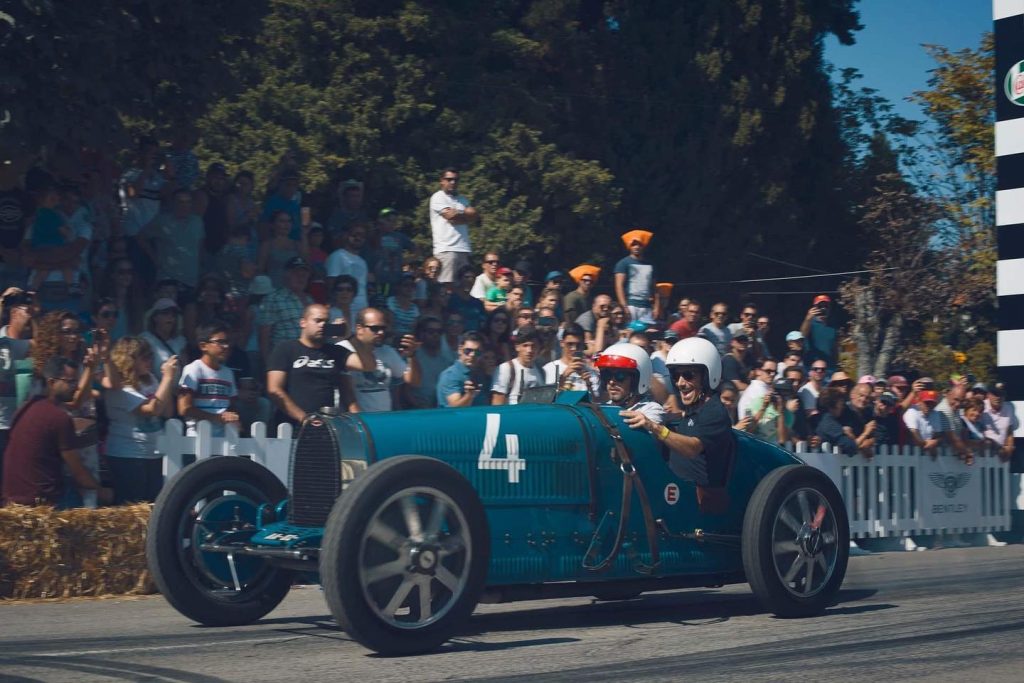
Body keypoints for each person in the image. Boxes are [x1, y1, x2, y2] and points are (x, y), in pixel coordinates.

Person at [622, 337, 732, 488]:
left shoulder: (714, 411)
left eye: (688, 375)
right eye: (675, 376)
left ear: (706, 376)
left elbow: (692, 448)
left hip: (702, 498)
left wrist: (654, 427)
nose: (680, 383)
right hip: (676, 489)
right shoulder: (691, 408)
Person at [2, 357, 112, 507]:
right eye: (70, 382)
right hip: (41, 500)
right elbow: (78, 472)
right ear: (52, 382)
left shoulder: (26, 408)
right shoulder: (59, 418)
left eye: (76, 382)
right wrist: (101, 491)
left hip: (13, 497)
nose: (76, 387)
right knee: (87, 495)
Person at [265, 303, 366, 426]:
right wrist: (304, 418)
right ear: (303, 323)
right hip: (290, 425)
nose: (322, 325)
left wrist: (350, 336)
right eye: (317, 320)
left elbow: (366, 365)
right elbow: (274, 389)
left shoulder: (335, 351)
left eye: (326, 321)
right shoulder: (286, 348)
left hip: (327, 424)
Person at [104, 338, 178, 502]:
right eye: (144, 357)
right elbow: (151, 410)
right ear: (129, 359)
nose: (150, 361)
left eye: (151, 356)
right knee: (131, 509)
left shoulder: (150, 379)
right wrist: (166, 379)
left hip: (153, 453)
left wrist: (168, 381)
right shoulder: (121, 388)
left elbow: (167, 412)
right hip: (127, 454)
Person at [340, 308, 421, 412]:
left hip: (383, 419)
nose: (381, 332)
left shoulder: (387, 351)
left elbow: (414, 381)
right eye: (375, 328)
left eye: (383, 328)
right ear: (359, 328)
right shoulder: (343, 349)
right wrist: (359, 419)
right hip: (357, 421)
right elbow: (345, 391)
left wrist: (412, 355)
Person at [177, 320, 240, 437]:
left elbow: (232, 405)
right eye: (220, 342)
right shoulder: (193, 369)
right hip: (197, 439)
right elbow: (184, 408)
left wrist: (234, 418)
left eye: (227, 342)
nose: (226, 346)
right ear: (203, 346)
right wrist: (216, 417)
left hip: (224, 439)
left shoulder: (228, 373)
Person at [138, 188, 204, 297]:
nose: (184, 206)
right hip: (168, 277)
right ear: (173, 203)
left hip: (191, 278)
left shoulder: (197, 221)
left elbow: (200, 244)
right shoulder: (162, 221)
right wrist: (155, 258)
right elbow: (141, 237)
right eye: (181, 202)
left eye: (188, 202)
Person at [259, 256, 314, 365]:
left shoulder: (310, 301)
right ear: (287, 274)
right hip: (284, 359)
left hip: (308, 360)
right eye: (296, 274)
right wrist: (268, 365)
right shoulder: (273, 299)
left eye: (304, 275)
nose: (300, 278)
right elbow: (264, 335)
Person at [595, 343, 664, 425]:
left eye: (620, 375)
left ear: (636, 380)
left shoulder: (651, 410)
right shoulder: (601, 409)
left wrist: (647, 424)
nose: (611, 382)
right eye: (607, 375)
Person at [429, 169, 478, 283]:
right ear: (442, 181)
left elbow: (474, 215)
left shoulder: (462, 199)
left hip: (464, 249)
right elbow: (451, 217)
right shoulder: (438, 197)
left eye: (456, 180)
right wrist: (465, 215)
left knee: (464, 285)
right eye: (449, 179)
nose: (453, 182)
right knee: (447, 286)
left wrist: (459, 214)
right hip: (447, 249)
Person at [405, 316, 453, 409]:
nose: (435, 335)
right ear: (421, 333)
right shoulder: (412, 356)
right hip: (416, 410)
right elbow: (404, 389)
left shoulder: (447, 358)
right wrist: (417, 405)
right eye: (431, 331)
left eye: (439, 332)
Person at [491, 325, 544, 405]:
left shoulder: (541, 371)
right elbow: (497, 405)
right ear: (517, 347)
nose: (529, 350)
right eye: (525, 345)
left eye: (533, 346)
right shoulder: (505, 369)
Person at [815, 387, 873, 458]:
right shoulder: (828, 422)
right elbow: (851, 447)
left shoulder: (824, 419)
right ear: (834, 403)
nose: (843, 406)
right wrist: (866, 432)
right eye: (841, 402)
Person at [437, 332, 490, 408]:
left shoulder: (480, 373)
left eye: (477, 352)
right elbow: (455, 409)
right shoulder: (450, 375)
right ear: (460, 350)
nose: (472, 355)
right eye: (468, 351)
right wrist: (469, 395)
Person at [614, 229, 658, 322]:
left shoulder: (650, 265)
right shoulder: (623, 263)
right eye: (634, 244)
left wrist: (656, 307)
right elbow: (619, 286)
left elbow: (654, 288)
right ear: (629, 246)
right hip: (631, 305)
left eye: (639, 244)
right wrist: (624, 307)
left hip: (647, 306)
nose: (636, 247)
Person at [543, 323, 598, 396]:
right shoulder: (548, 369)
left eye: (578, 345)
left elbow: (596, 403)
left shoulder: (592, 374)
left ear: (583, 345)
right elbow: (546, 398)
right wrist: (563, 377)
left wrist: (588, 384)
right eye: (570, 344)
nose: (574, 349)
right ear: (562, 343)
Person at [325, 223, 369, 312]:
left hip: (362, 309)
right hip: (343, 309)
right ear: (346, 235)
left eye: (362, 235)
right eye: (355, 234)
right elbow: (331, 283)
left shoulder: (363, 261)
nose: (358, 238)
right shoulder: (337, 256)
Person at [141, 298, 188, 380]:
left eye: (173, 315)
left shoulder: (181, 341)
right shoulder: (144, 339)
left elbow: (185, 367)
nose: (170, 317)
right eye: (165, 313)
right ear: (155, 317)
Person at [903, 389, 948, 459]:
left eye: (932, 403)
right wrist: (930, 446)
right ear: (919, 401)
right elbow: (914, 435)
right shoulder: (912, 412)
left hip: (927, 456)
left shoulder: (935, 414)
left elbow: (939, 434)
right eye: (926, 402)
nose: (929, 405)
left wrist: (935, 442)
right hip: (910, 454)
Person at [800, 294, 838, 372]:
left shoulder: (833, 326)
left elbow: (835, 347)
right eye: (820, 306)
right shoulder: (810, 323)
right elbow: (803, 334)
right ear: (815, 307)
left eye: (826, 306)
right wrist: (808, 318)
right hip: (811, 367)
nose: (823, 308)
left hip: (829, 368)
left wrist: (837, 364)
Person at [982, 383, 1017, 462]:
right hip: (983, 454)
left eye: (1001, 394)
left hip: (1001, 456)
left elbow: (1009, 431)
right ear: (988, 394)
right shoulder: (982, 406)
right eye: (995, 394)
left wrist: (1009, 448)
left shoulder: (1010, 407)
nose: (998, 397)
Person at [448, 264, 487, 332]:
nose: (470, 280)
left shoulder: (478, 303)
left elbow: (482, 324)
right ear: (460, 279)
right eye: (467, 277)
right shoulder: (450, 300)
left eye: (473, 278)